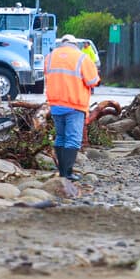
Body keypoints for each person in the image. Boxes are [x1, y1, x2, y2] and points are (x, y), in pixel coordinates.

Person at [44, 34, 99, 181]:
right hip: (75, 104)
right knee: (73, 139)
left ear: (62, 43)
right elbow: (93, 81)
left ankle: (62, 172)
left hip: (56, 104)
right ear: (75, 44)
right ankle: (67, 173)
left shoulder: (50, 57)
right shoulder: (81, 57)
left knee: (60, 137)